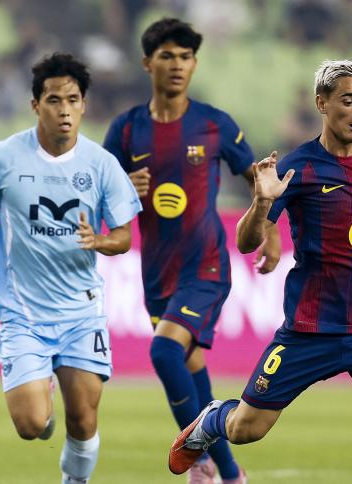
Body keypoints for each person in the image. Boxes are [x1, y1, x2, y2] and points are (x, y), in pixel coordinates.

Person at [167, 59, 352, 483]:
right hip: (310, 329)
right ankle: (211, 421)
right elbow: (246, 241)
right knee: (248, 429)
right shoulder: (298, 168)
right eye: (348, 101)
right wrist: (262, 202)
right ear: (322, 103)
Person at [0, 53, 141, 484]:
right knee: (31, 425)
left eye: (73, 99)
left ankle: (75, 481)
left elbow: (125, 236)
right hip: (23, 314)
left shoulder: (101, 165)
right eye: (54, 100)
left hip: (81, 312)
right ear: (36, 105)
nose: (65, 110)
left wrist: (101, 241)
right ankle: (42, 399)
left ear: (84, 104)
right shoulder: (3, 157)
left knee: (84, 421)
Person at [102, 18, 270, 484]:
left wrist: (270, 230)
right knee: (191, 367)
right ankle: (231, 475)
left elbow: (257, 178)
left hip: (207, 265)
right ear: (147, 62)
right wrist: (121, 192)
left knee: (163, 353)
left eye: (185, 56)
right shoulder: (126, 129)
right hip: (157, 273)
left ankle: (197, 459)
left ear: (195, 63)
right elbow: (98, 194)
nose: (177, 65)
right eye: (167, 56)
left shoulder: (214, 123)